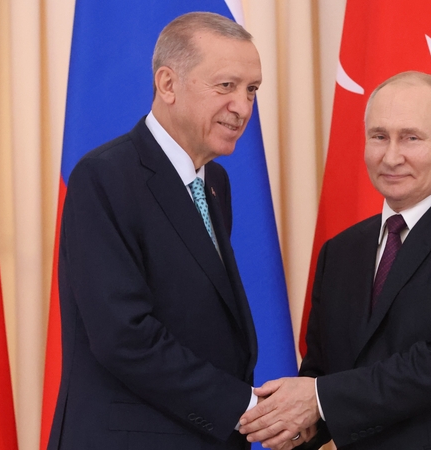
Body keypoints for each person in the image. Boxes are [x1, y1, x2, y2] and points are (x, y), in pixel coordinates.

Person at [239, 71, 431, 450]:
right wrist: (284, 422)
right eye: (379, 137)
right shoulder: (341, 251)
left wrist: (317, 400)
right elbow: (323, 372)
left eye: (411, 138)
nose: (391, 156)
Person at [48, 12, 263, 450]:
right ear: (167, 84)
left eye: (251, 90)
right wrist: (246, 407)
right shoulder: (103, 177)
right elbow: (123, 337)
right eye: (226, 86)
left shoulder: (215, 183)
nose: (242, 107)